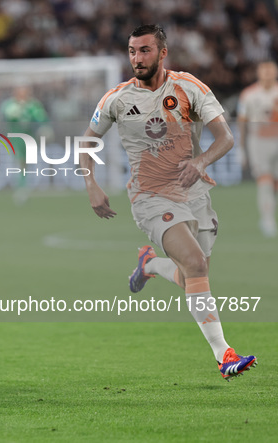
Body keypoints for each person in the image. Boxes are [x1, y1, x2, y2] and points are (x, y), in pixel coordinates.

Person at [79, 24, 257, 381]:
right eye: (132, 51)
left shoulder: (189, 88)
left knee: (192, 272)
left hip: (194, 190)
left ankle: (149, 266)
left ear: (162, 53)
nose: (137, 58)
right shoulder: (116, 98)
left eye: (144, 51)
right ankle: (224, 355)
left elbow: (226, 138)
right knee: (194, 263)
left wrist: (201, 161)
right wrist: (91, 184)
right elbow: (86, 143)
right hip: (150, 194)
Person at [237, 61, 278, 238]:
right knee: (265, 181)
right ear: (259, 73)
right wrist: (241, 147)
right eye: (264, 70)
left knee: (274, 184)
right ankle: (267, 220)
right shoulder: (248, 94)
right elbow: (242, 121)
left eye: (271, 70)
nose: (268, 73)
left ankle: (269, 215)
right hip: (258, 142)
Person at [0, 83, 51, 204]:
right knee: (20, 161)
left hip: (30, 138)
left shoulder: (33, 105)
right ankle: (21, 188)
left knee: (25, 163)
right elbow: (7, 116)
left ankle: (23, 187)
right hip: (15, 138)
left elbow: (41, 118)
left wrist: (45, 128)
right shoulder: (10, 105)